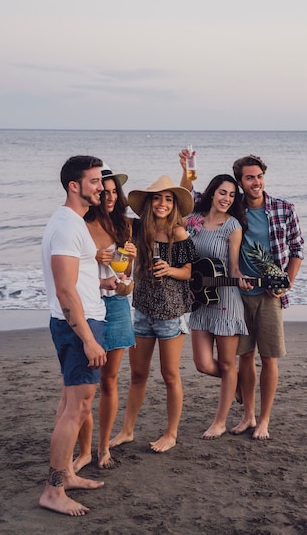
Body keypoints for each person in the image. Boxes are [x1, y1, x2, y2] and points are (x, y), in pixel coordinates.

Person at [179, 150, 304, 441]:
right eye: (250, 178)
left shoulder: (283, 209)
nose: (256, 182)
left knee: (269, 359)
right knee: (244, 358)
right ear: (240, 181)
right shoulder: (233, 209)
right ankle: (247, 414)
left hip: (269, 295)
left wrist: (287, 282)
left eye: (259, 176)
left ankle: (263, 420)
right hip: (236, 293)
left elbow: (297, 249)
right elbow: (189, 197)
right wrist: (187, 168)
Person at [40, 155, 117, 517]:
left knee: (70, 404)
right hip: (78, 325)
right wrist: (88, 338)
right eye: (94, 181)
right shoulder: (69, 226)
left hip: (78, 319)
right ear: (75, 185)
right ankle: (54, 490)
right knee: (79, 408)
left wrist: (102, 282)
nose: (101, 187)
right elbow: (65, 290)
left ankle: (66, 473)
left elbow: (76, 280)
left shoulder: (70, 222)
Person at [110, 176, 196, 452]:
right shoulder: (135, 230)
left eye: (168, 199)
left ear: (174, 206)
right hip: (143, 309)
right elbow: (121, 269)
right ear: (148, 202)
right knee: (137, 374)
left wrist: (169, 270)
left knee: (170, 375)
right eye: (157, 198)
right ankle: (127, 430)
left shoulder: (179, 233)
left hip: (170, 313)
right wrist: (126, 257)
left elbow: (188, 273)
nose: (162, 203)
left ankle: (171, 434)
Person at [73, 163, 137, 473]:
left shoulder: (124, 227)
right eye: (104, 190)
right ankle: (84, 450)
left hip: (117, 308)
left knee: (110, 381)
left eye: (114, 192)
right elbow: (72, 276)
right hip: (88, 306)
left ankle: (102, 448)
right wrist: (93, 259)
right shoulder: (81, 226)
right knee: (88, 385)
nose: (109, 196)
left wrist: (126, 281)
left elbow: (127, 283)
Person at [185, 174, 250, 439]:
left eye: (232, 195)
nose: (227, 199)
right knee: (202, 364)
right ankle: (234, 384)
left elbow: (233, 267)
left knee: (226, 363)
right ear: (212, 193)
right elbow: (180, 199)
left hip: (226, 300)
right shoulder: (194, 221)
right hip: (200, 300)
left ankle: (220, 422)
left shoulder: (232, 225)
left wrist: (241, 279)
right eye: (222, 193)